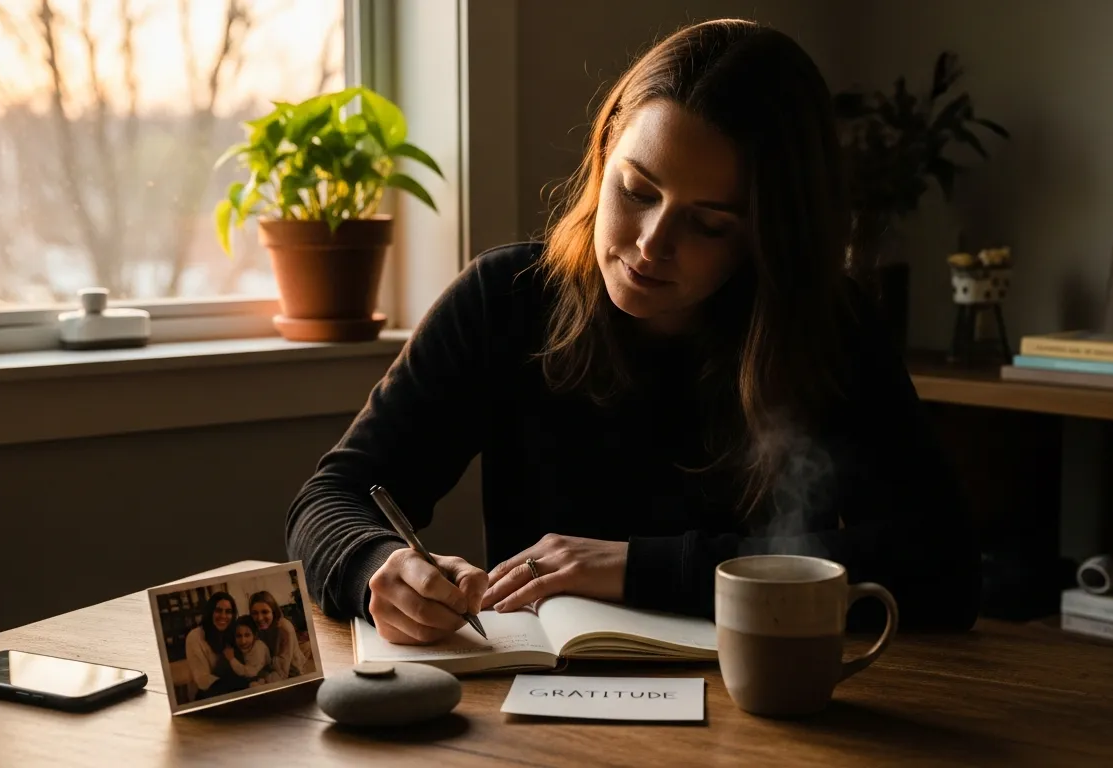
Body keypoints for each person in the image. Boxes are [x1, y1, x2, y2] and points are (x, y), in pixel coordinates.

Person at [287, 18, 980, 646]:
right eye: (638, 191)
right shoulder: (507, 301)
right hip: (538, 717)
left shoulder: (828, 327)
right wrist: (376, 565)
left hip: (769, 715)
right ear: (606, 148)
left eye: (708, 224)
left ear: (768, 237)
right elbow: (330, 501)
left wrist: (638, 568)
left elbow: (942, 568)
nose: (651, 244)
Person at [184, 592, 249, 698]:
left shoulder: (234, 632)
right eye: (218, 611)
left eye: (228, 612)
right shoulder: (195, 636)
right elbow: (203, 680)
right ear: (210, 612)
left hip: (236, 688)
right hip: (209, 693)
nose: (223, 616)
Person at [248, 591, 307, 681]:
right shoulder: (257, 627)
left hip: (293, 670)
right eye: (255, 613)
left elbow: (283, 671)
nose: (259, 618)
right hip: (271, 667)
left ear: (273, 611)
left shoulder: (284, 629)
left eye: (265, 612)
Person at [224, 616, 272, 686]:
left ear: (254, 635)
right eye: (239, 636)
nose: (243, 641)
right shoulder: (235, 647)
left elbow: (251, 672)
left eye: (247, 635)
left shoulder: (258, 646)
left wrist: (232, 659)